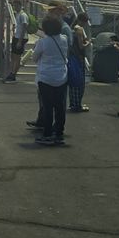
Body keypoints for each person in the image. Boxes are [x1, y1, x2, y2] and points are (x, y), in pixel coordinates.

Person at [26, 1, 72, 130]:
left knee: (52, 102)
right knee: (48, 100)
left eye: (51, 11)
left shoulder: (63, 29)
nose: (48, 13)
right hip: (56, 71)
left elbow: (68, 48)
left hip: (51, 71)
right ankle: (44, 121)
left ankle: (47, 125)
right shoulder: (56, 29)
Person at [33, 15, 68, 146]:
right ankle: (59, 133)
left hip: (46, 77)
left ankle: (47, 134)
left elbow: (35, 58)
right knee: (60, 106)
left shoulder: (43, 42)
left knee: (48, 107)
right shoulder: (64, 39)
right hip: (62, 76)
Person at [68, 13, 90, 112]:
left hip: (71, 56)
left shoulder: (72, 28)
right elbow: (81, 46)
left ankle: (73, 103)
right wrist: (88, 43)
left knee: (73, 81)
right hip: (78, 57)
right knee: (79, 82)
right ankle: (78, 105)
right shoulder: (79, 29)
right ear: (83, 21)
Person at [4, 0, 29, 82]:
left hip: (20, 38)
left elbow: (25, 26)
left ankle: (13, 74)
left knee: (17, 57)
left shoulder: (23, 15)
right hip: (16, 36)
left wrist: (20, 41)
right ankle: (11, 72)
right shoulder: (17, 14)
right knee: (13, 55)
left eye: (15, 5)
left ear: (19, 5)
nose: (14, 7)